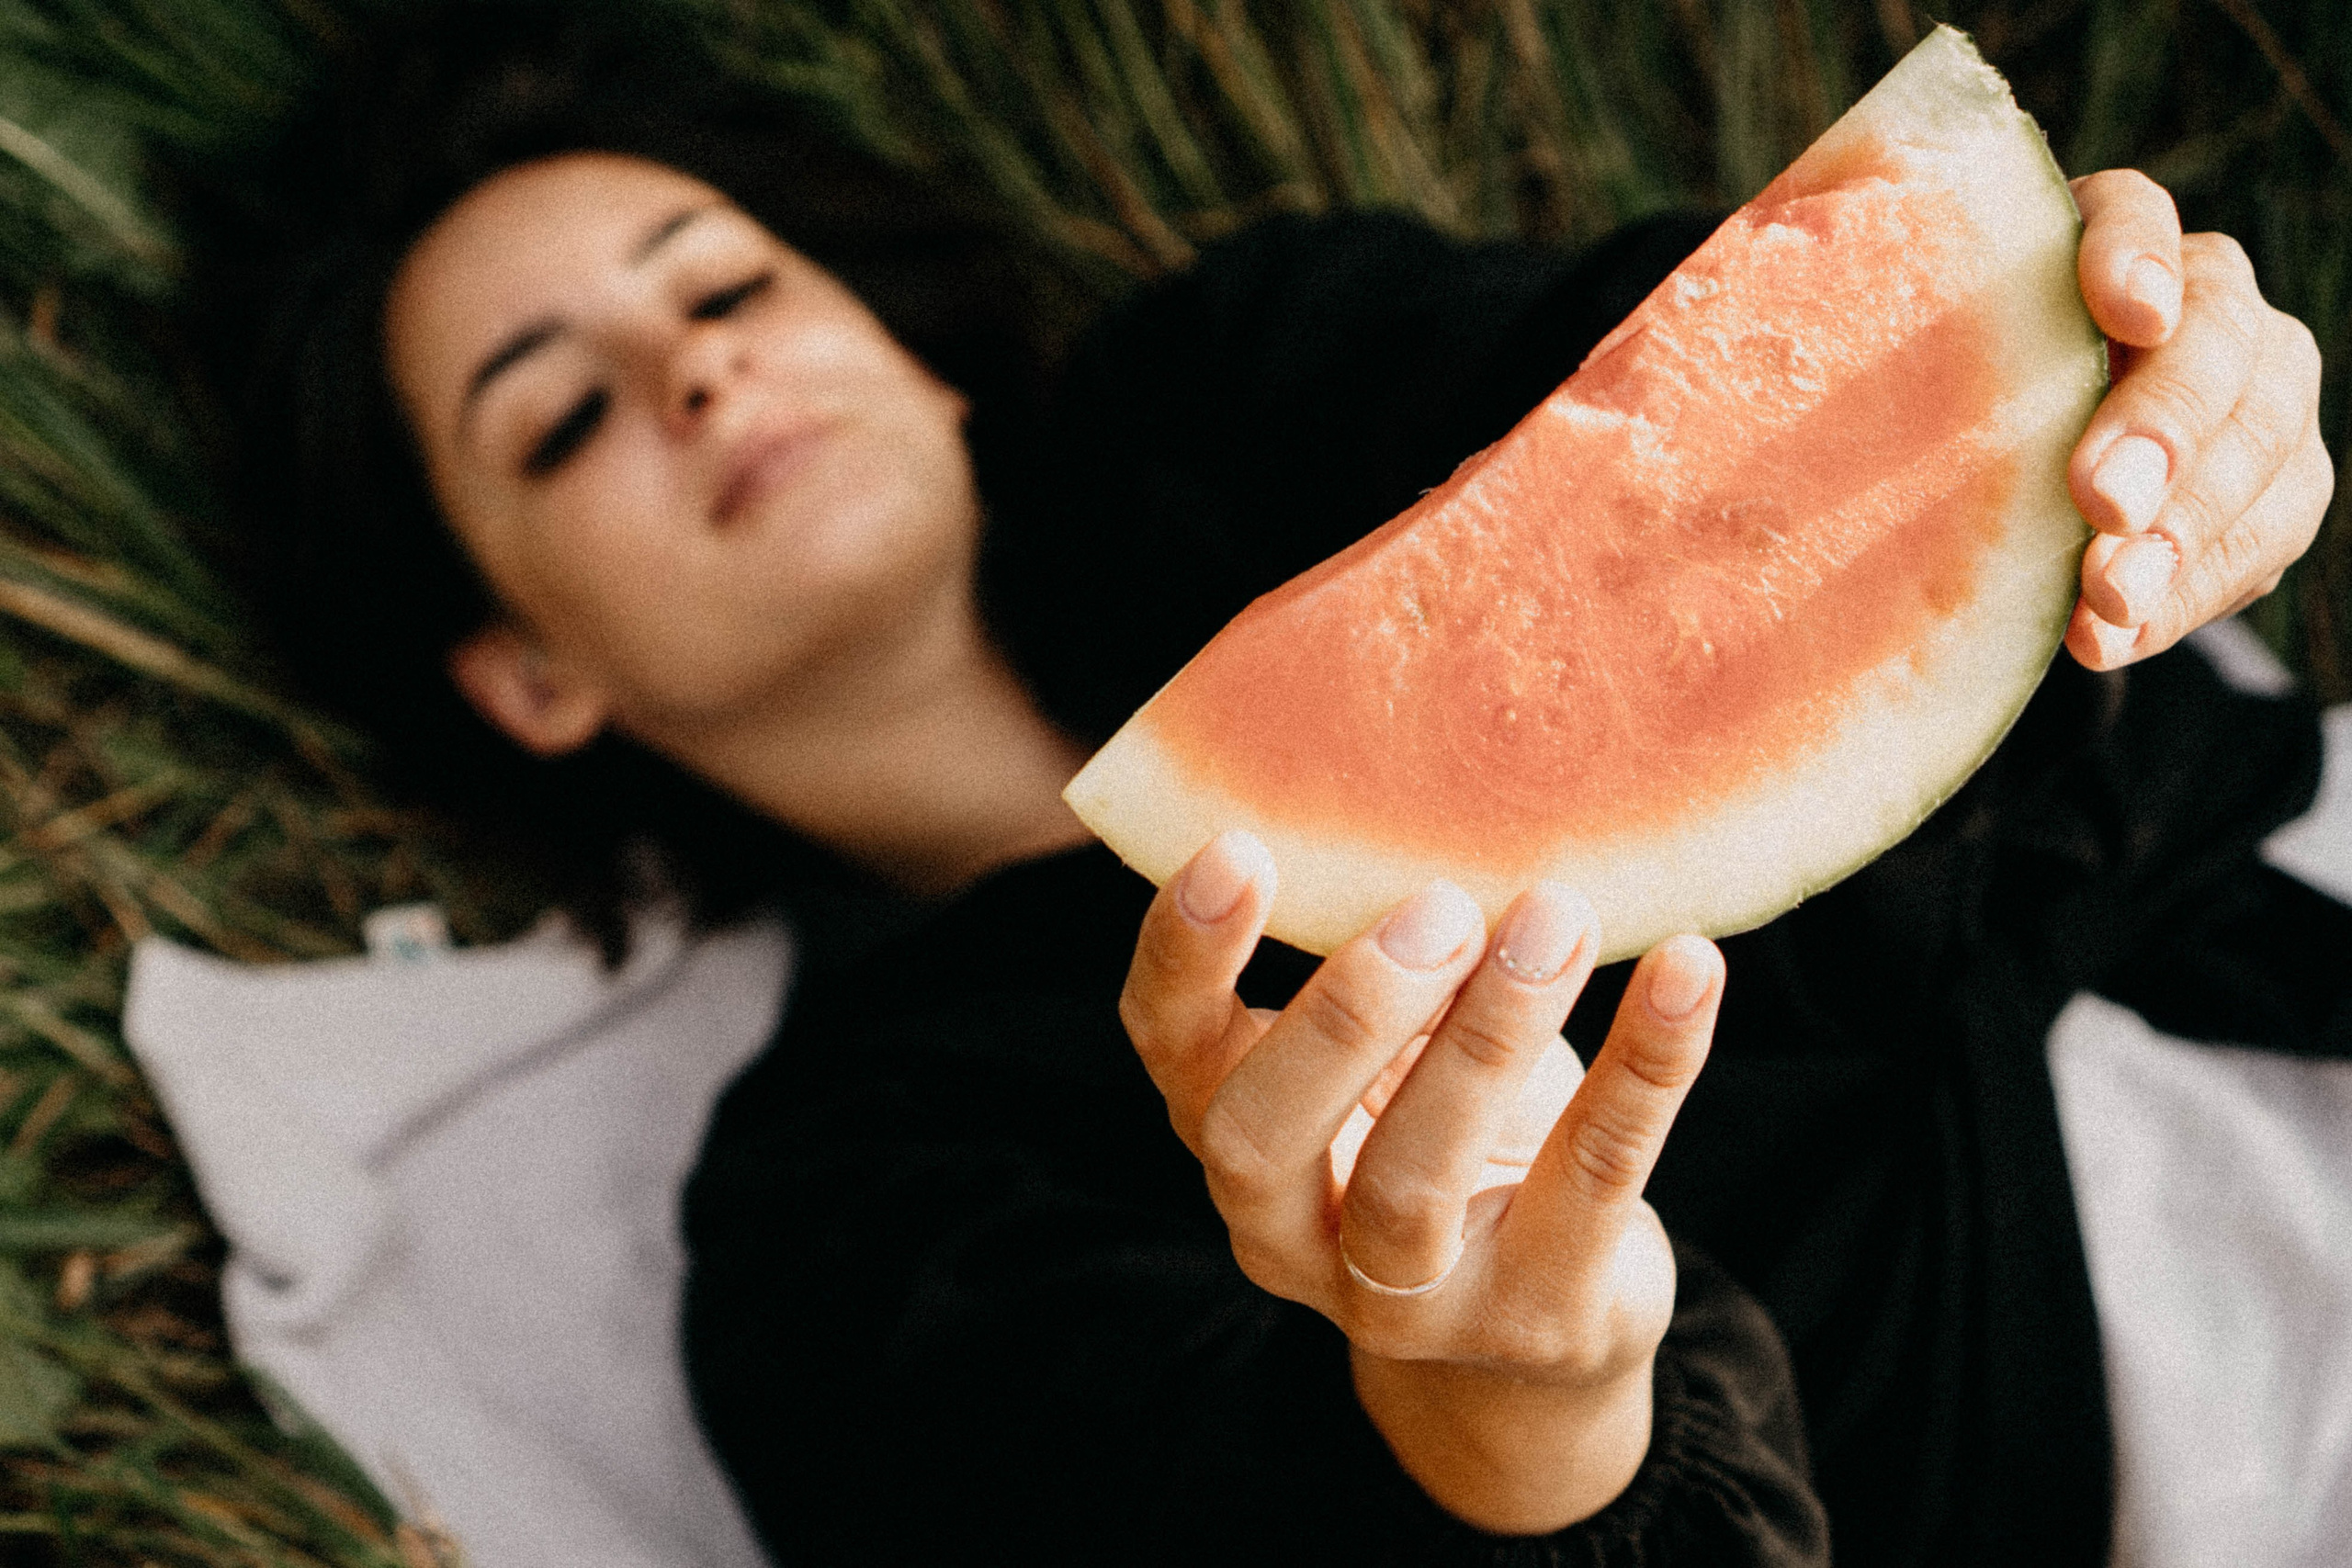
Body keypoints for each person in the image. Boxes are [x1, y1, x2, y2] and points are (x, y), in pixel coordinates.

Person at [198, 7, 2338, 1563]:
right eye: (557, 418)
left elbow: (1763, 379)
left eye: (731, 282)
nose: (695, 368)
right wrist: (1524, 1416)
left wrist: (2112, 388)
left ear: (917, 354)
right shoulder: (835, 1211)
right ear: (530, 675)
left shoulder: (1243, 382)